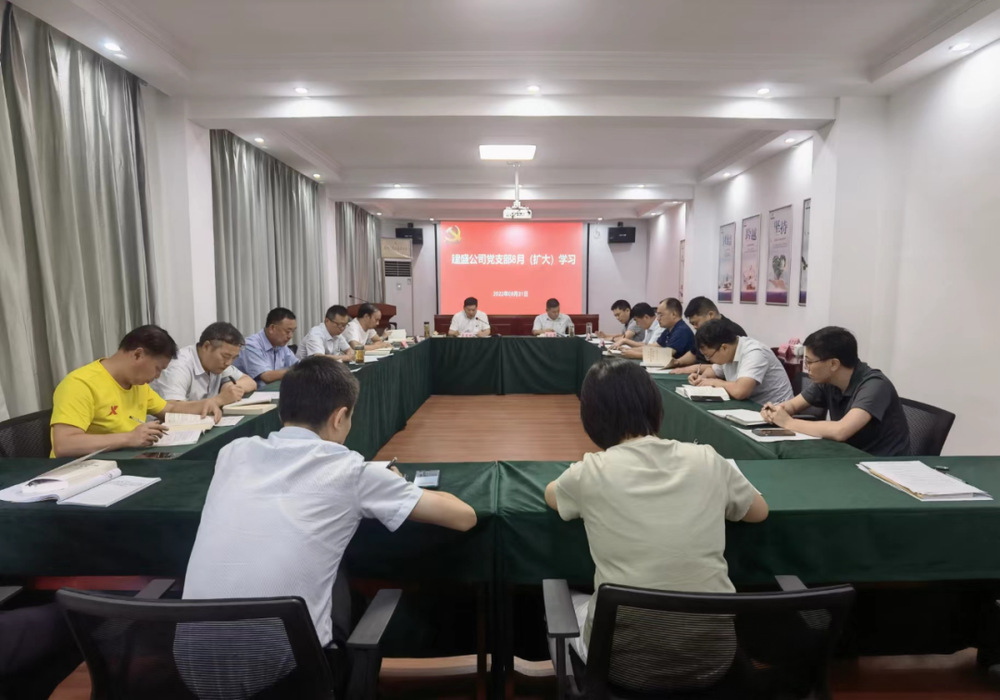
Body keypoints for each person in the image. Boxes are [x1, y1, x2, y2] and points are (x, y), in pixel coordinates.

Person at [183, 356, 478, 653]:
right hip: (296, 670)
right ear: (339, 417)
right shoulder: (350, 471)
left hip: (190, 663)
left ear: (282, 410)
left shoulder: (233, 453)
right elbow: (464, 517)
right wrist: (398, 483)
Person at [544, 359, 767, 680]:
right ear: (656, 407)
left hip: (622, 668)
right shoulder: (706, 458)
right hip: (714, 659)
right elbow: (758, 512)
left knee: (565, 600)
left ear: (590, 417)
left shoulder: (589, 472)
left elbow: (552, 495)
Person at [50, 325, 222, 457]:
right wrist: (129, 438)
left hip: (126, 462)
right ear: (138, 355)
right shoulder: (81, 384)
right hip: (82, 473)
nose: (157, 376)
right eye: (157, 369)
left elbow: (168, 409)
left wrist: (204, 404)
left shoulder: (138, 384)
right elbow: (64, 444)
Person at [760, 326, 911, 456]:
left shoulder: (875, 385)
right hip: (848, 455)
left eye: (809, 362)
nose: (806, 367)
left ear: (833, 364)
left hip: (882, 464)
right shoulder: (827, 380)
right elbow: (792, 406)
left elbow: (841, 431)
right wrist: (775, 411)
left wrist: (788, 422)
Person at [688, 320, 794, 404]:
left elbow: (740, 391)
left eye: (708, 356)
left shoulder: (754, 352)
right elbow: (713, 370)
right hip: (751, 407)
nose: (708, 360)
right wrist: (702, 379)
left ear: (724, 348)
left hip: (775, 411)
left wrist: (715, 382)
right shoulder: (729, 351)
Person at [151, 322, 257, 406]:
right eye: (225, 356)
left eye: (234, 358)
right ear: (207, 346)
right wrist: (219, 400)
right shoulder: (179, 366)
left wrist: (230, 387)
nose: (228, 363)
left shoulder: (217, 364)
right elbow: (172, 407)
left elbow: (250, 382)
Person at [671, 297, 747, 373]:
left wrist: (694, 368)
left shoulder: (732, 331)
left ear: (710, 315)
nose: (694, 327)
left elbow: (725, 367)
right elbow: (694, 353)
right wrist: (677, 362)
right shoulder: (702, 330)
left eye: (696, 323)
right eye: (692, 324)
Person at [233, 307, 300, 389]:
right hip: (251, 394)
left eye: (293, 331)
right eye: (287, 331)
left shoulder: (281, 346)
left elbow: (297, 364)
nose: (290, 336)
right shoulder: (250, 345)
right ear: (272, 328)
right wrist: (299, 371)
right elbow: (267, 377)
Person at [621, 298, 694, 363]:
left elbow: (666, 354)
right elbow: (655, 346)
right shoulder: (669, 329)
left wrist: (634, 354)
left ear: (674, 314)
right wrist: (630, 350)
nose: (658, 318)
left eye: (661, 315)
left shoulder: (681, 330)